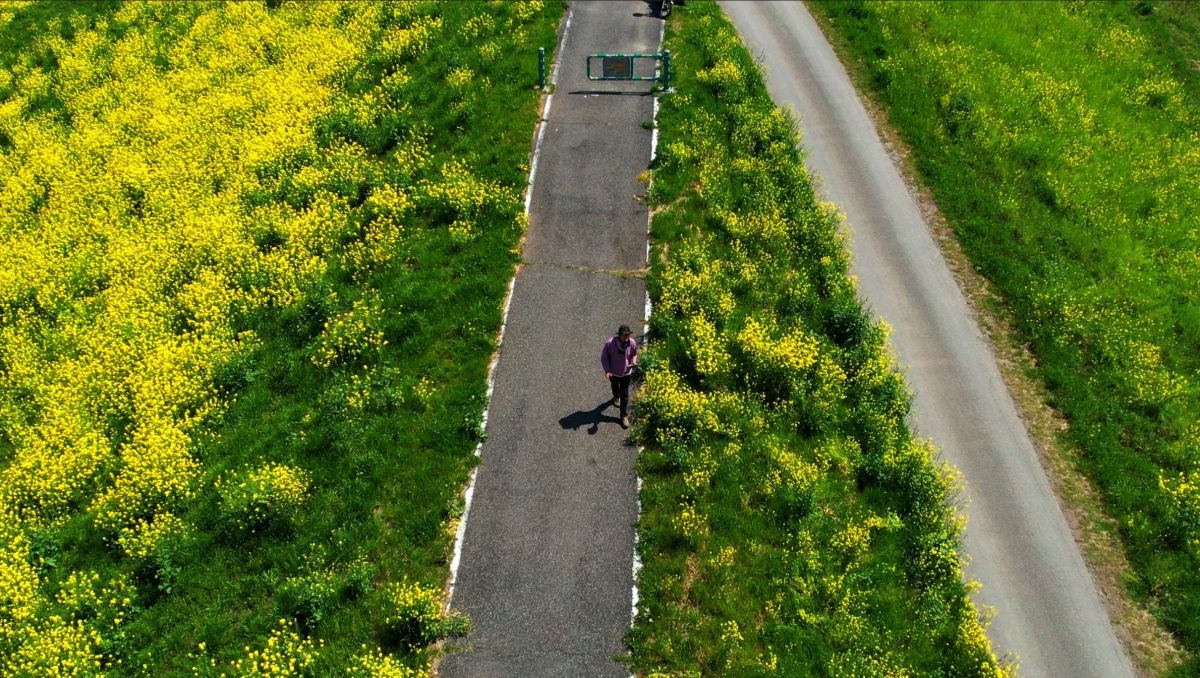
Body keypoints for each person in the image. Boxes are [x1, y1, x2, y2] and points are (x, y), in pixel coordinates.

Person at [600, 324, 638, 429]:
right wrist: (607, 370)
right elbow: (604, 357)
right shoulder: (610, 343)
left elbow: (634, 354)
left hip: (626, 373)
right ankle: (616, 397)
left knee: (624, 394)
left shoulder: (632, 342)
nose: (627, 338)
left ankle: (623, 415)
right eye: (625, 336)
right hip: (614, 373)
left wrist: (633, 361)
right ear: (619, 335)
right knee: (615, 388)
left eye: (628, 335)